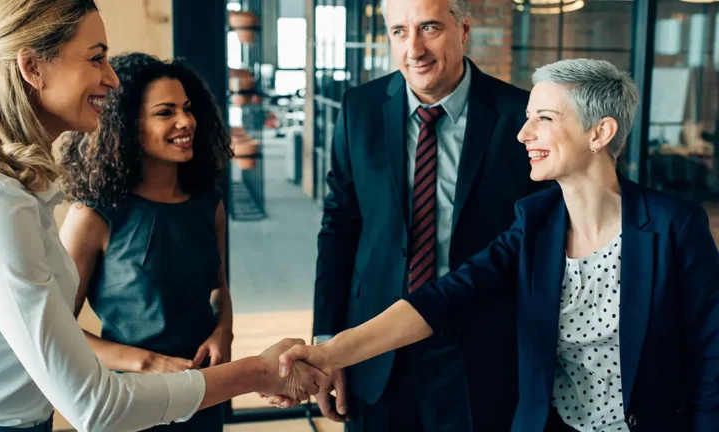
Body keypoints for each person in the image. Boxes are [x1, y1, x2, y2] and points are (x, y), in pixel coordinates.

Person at [279, 58, 719, 431]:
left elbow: (711, 357)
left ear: (600, 133)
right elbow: (441, 298)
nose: (523, 133)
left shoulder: (673, 226)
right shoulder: (534, 222)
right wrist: (326, 352)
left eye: (544, 118)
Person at [0, 1, 323, 431]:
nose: (111, 78)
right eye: (96, 58)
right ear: (33, 67)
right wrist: (256, 371)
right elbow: (96, 407)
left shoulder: (13, 187)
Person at [306, 0, 544, 430]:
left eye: (429, 28)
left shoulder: (519, 117)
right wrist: (329, 340)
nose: (414, 48)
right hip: (374, 344)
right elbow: (339, 226)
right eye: (399, 31)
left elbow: (534, 242)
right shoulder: (360, 109)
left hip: (476, 347)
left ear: (464, 28)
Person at [59, 52, 235, 432]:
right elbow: (55, 329)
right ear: (126, 125)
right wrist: (147, 362)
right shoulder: (92, 217)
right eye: (165, 112)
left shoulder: (209, 203)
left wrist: (223, 330)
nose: (185, 121)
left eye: (187, 109)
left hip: (203, 393)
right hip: (132, 398)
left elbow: (219, 285)